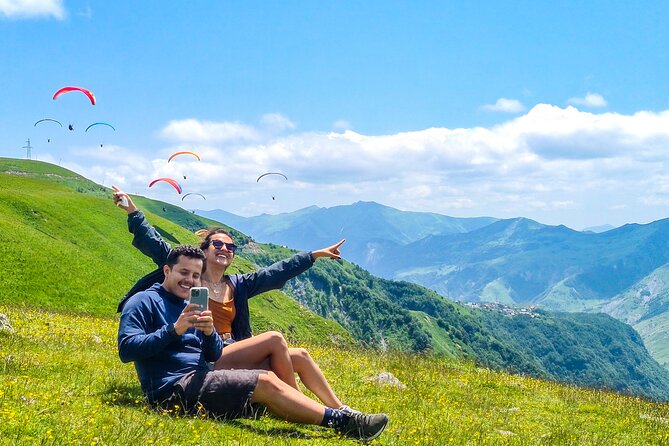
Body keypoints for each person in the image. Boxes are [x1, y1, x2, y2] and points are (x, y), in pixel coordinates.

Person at [112, 187, 351, 411]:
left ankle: (340, 409)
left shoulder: (238, 284)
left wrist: (313, 256)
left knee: (300, 355)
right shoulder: (188, 276)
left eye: (230, 246)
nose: (224, 249)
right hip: (207, 355)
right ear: (204, 249)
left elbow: (276, 272)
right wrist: (133, 212)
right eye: (217, 243)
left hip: (230, 347)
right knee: (274, 339)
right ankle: (300, 407)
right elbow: (154, 243)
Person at [118, 245, 388, 440]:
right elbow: (127, 349)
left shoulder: (189, 302)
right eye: (183, 273)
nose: (188, 280)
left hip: (198, 375)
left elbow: (211, 354)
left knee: (274, 370)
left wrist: (210, 332)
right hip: (170, 390)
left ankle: (315, 409)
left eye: (194, 275)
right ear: (166, 270)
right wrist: (173, 330)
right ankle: (344, 422)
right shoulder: (143, 301)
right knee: (265, 380)